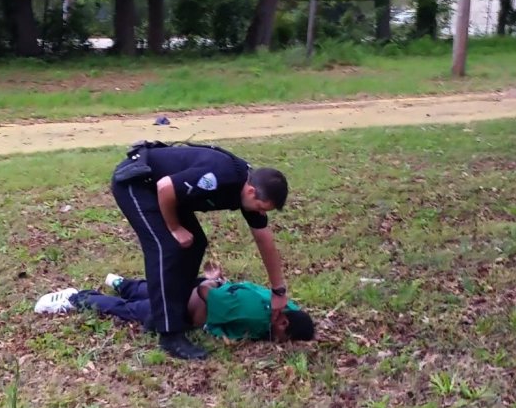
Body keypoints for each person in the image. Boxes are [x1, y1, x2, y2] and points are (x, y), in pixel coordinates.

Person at [109, 141, 291, 359]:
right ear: (252, 191)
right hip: (138, 184)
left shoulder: (249, 192)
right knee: (166, 247)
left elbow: (264, 239)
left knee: (195, 244)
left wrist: (278, 290)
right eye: (261, 208)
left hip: (170, 194)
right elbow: (165, 187)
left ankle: (164, 314)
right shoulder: (221, 176)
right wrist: (175, 228)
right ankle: (170, 335)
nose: (261, 213)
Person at [34, 273, 315, 344]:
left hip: (187, 289)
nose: (279, 342)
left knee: (149, 290)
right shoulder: (253, 315)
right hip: (184, 308)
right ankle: (75, 298)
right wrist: (212, 283)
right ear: (283, 324)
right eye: (283, 339)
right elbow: (207, 294)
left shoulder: (286, 304)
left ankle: (122, 282)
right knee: (132, 310)